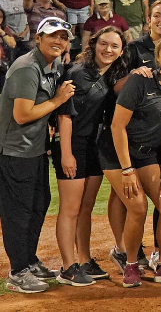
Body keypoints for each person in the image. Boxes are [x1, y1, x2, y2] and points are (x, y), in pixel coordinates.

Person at [102, 34, 161, 287]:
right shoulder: (139, 81)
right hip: (116, 152)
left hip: (147, 153)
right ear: (157, 57)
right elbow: (117, 126)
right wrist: (127, 170)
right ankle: (131, 265)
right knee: (137, 206)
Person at [0, 18, 76, 293]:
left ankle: (28, 261)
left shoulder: (52, 65)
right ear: (38, 38)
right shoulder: (26, 68)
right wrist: (57, 101)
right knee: (18, 213)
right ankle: (18, 271)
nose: (59, 41)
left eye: (63, 37)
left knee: (38, 205)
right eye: (53, 36)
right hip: (14, 151)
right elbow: (22, 114)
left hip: (34, 149)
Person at [53, 27, 129, 286]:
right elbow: (63, 115)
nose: (108, 50)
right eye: (103, 44)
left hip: (94, 146)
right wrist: (66, 154)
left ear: (121, 51)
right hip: (73, 145)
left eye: (114, 46)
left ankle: (84, 260)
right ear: (93, 45)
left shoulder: (114, 75)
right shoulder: (77, 73)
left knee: (85, 208)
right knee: (70, 209)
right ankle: (67, 267)